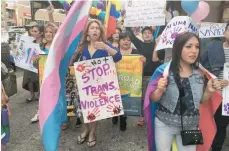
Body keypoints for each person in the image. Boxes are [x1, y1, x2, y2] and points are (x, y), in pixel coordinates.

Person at [148, 32, 227, 151]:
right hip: (164, 125)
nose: (194, 51)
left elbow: (200, 100)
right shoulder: (164, 71)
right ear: (179, 48)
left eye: (197, 46)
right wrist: (159, 90)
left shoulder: (201, 72)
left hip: (190, 127)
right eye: (189, 46)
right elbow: (152, 99)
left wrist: (209, 91)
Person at [70, 19, 122, 147]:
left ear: (100, 32)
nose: (95, 30)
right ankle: (86, 128)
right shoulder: (81, 47)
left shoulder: (106, 45)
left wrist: (106, 47)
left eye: (97, 28)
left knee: (95, 110)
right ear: (87, 31)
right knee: (83, 110)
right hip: (83, 86)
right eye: (92, 28)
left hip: (100, 87)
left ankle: (92, 132)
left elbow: (118, 57)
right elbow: (71, 62)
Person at [126, 27, 163, 126]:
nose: (147, 34)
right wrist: (127, 23)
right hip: (142, 76)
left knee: (153, 97)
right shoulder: (139, 44)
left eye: (149, 33)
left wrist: (158, 43)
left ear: (152, 35)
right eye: (145, 33)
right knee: (142, 97)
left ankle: (152, 116)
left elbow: (160, 59)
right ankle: (142, 116)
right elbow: (132, 36)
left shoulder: (158, 45)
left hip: (155, 76)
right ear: (142, 35)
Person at [201, 23, 229, 151]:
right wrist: (213, 80)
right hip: (216, 94)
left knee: (222, 125)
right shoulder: (213, 47)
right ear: (225, 33)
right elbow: (201, 66)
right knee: (212, 123)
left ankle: (217, 147)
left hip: (228, 98)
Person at [112, 32, 146, 131]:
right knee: (116, 100)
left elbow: (142, 66)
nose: (126, 42)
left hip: (129, 83)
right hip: (116, 81)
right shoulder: (114, 51)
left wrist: (144, 60)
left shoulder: (135, 52)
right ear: (119, 41)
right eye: (124, 39)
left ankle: (123, 121)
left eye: (128, 40)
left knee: (125, 102)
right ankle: (114, 115)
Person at [30, 22, 58, 123]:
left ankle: (58, 117)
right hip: (44, 77)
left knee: (56, 97)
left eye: (51, 32)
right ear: (44, 34)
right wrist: (34, 60)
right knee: (44, 96)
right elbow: (35, 66)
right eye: (46, 32)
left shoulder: (57, 47)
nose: (48, 34)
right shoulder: (40, 47)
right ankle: (40, 113)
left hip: (56, 76)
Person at [22, 25, 44, 102]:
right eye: (32, 31)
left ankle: (39, 93)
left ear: (41, 33)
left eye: (35, 31)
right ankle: (32, 95)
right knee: (29, 78)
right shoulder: (29, 41)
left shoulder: (44, 42)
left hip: (40, 62)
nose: (33, 33)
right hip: (30, 62)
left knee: (41, 77)